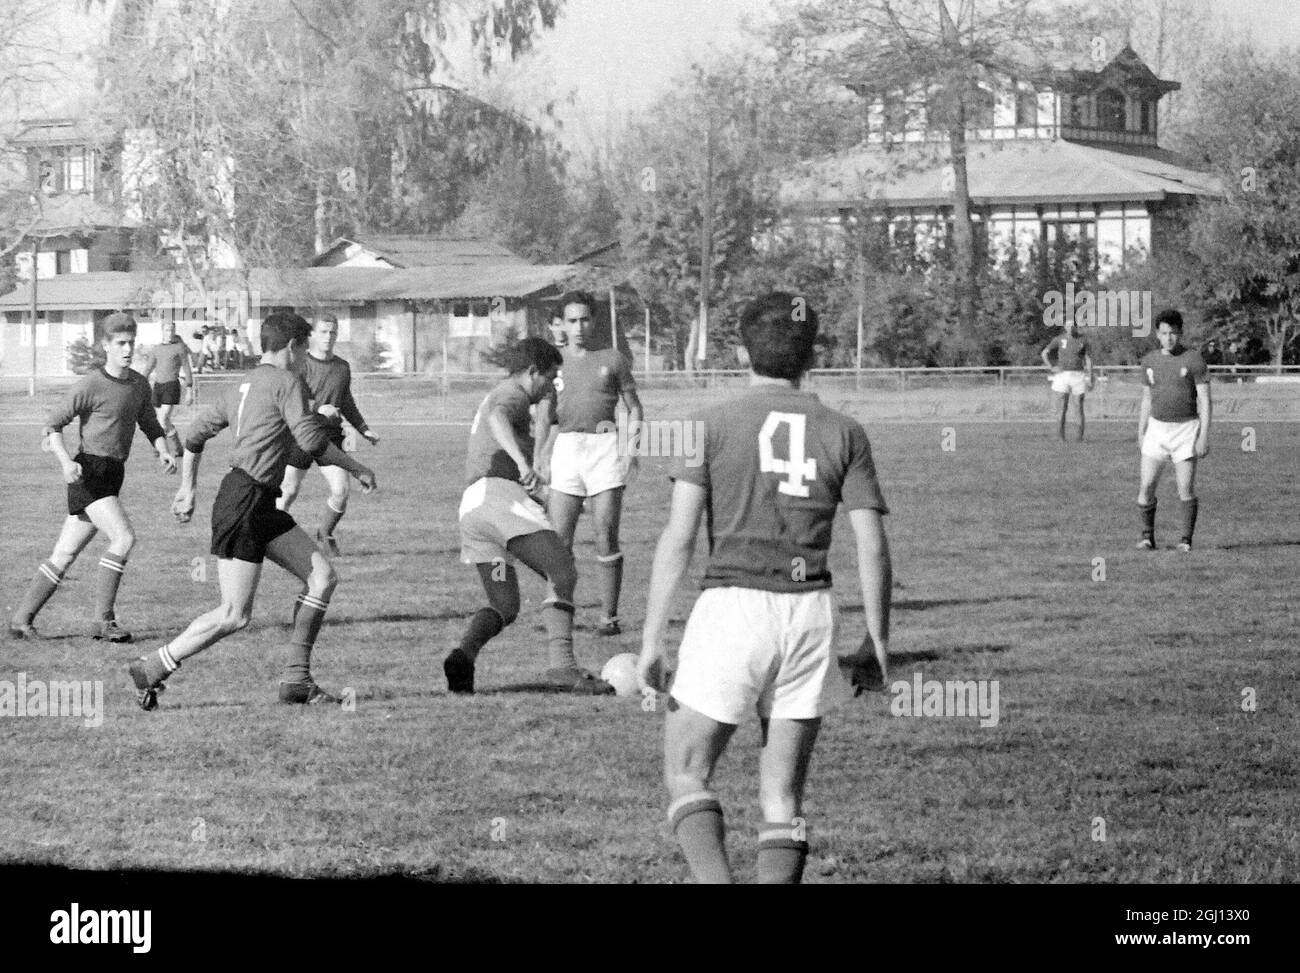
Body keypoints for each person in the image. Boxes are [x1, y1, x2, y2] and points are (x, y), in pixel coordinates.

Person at [637, 292, 892, 884]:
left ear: (739, 349)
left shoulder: (708, 424)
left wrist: (652, 639)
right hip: (811, 612)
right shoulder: (845, 431)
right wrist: (877, 639)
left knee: (687, 771)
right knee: (783, 800)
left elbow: (677, 538)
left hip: (732, 608)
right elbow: (872, 545)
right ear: (814, 355)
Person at [126, 312, 378, 710]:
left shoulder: (243, 383)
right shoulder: (286, 381)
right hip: (244, 502)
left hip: (257, 500)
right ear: (293, 348)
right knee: (233, 614)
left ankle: (297, 681)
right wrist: (356, 465)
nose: (302, 361)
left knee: (322, 577)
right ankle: (154, 665)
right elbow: (311, 441)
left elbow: (193, 435)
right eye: (302, 351)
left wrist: (188, 489)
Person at [445, 336, 614, 696]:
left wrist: (536, 490)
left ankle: (463, 654)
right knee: (562, 570)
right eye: (550, 377)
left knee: (504, 605)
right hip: (498, 502)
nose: (552, 386)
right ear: (533, 372)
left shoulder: (508, 393)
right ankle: (563, 669)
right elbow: (498, 418)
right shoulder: (513, 393)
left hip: (475, 515)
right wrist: (523, 463)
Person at [9, 312, 176, 642]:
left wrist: (163, 448)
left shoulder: (139, 384)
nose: (128, 350)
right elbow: (52, 425)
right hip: (89, 473)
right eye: (121, 344)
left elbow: (151, 424)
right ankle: (104, 620)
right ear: (106, 346)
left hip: (113, 474)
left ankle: (20, 620)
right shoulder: (91, 384)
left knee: (65, 553)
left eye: (131, 343)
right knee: (124, 537)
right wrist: (63, 462)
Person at [536, 291, 643, 635]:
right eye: (571, 320)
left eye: (584, 319)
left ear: (593, 321)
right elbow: (545, 416)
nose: (579, 327)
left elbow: (634, 407)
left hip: (604, 448)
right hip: (568, 448)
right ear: (562, 325)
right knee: (558, 540)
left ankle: (608, 618)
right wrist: (541, 456)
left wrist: (629, 450)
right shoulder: (553, 364)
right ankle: (558, 614)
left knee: (605, 535)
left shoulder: (612, 359)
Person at [277, 313, 379, 556]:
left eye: (332, 332)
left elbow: (347, 401)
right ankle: (271, 539)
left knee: (341, 490)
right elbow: (292, 401)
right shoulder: (301, 365)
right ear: (313, 334)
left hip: (330, 437)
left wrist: (364, 429)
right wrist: (317, 409)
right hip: (302, 434)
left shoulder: (342, 367)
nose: (328, 337)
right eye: (323, 331)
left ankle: (325, 533)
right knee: (288, 490)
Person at [1136, 308, 1210, 552]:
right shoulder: (1149, 361)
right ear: (1157, 334)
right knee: (1146, 486)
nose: (1169, 338)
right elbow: (1147, 399)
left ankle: (1185, 541)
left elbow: (1206, 401)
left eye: (1174, 333)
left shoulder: (1193, 360)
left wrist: (1203, 435)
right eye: (1164, 333)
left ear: (1181, 333)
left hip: (1186, 429)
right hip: (1157, 429)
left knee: (1185, 488)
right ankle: (1147, 537)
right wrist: (1141, 429)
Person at [139, 317, 195, 457]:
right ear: (163, 331)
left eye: (172, 330)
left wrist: (189, 390)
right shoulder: (157, 349)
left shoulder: (179, 347)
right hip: (158, 386)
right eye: (167, 329)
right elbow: (148, 368)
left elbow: (187, 368)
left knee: (163, 419)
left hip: (171, 385)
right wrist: (138, 383)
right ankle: (177, 448)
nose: (169, 332)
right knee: (162, 420)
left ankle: (159, 448)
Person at [1040, 319, 1093, 442]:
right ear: (1065, 327)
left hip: (1078, 375)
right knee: (1062, 407)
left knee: (1078, 406)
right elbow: (1044, 353)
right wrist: (1051, 367)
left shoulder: (1083, 340)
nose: (1070, 328)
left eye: (1072, 325)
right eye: (1068, 326)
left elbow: (1088, 359)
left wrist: (1090, 376)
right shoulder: (1058, 339)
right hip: (1062, 375)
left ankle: (1079, 438)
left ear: (1075, 327)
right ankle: (1060, 438)